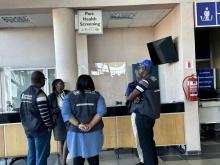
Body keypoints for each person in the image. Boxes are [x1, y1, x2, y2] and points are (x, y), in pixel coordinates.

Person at [61, 74, 106, 165]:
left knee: (77, 158)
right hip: (94, 132)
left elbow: (66, 113)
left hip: (75, 133)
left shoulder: (69, 96)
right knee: (93, 158)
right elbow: (101, 111)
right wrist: (90, 125)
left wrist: (78, 125)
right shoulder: (97, 96)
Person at [126, 60, 161, 165]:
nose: (138, 69)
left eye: (140, 67)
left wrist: (131, 97)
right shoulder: (154, 78)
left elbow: (131, 96)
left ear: (145, 68)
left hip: (143, 115)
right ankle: (153, 162)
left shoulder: (145, 81)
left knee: (145, 143)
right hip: (151, 115)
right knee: (149, 141)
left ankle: (149, 163)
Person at [20, 71, 54, 165]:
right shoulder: (40, 94)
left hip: (28, 129)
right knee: (41, 156)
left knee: (32, 155)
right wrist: (50, 125)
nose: (45, 81)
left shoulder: (24, 93)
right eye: (44, 79)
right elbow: (44, 114)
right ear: (41, 80)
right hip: (40, 129)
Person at [48, 79, 70, 165]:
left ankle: (63, 160)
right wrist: (58, 110)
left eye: (63, 83)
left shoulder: (68, 93)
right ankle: (63, 161)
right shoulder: (51, 96)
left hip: (68, 118)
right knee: (61, 140)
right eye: (61, 83)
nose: (63, 85)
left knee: (68, 139)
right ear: (55, 85)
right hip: (58, 119)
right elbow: (49, 109)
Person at [125, 70, 144, 165]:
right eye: (138, 72)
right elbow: (128, 97)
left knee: (147, 138)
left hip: (147, 113)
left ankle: (149, 158)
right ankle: (142, 159)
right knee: (138, 137)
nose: (140, 73)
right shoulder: (132, 85)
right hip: (136, 113)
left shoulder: (149, 83)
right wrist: (133, 97)